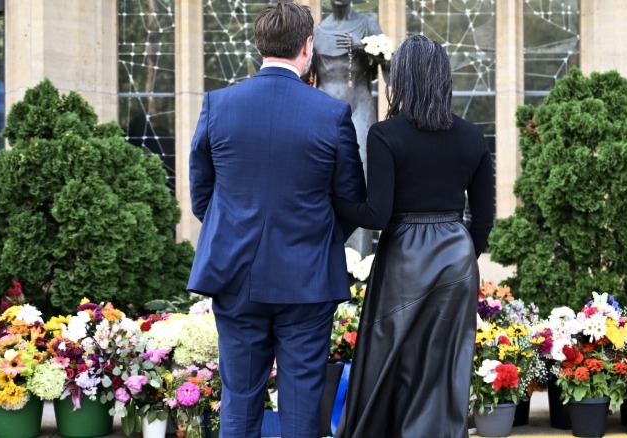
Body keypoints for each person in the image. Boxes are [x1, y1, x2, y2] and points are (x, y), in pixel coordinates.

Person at [187, 2, 366, 437]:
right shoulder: (331, 114)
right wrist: (318, 236)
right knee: (302, 404)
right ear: (309, 46)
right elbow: (351, 200)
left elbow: (201, 194)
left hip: (235, 274)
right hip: (306, 278)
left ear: (258, 45)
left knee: (239, 399)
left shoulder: (218, 105)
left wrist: (233, 231)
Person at [334, 35, 495, 437]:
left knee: (391, 361)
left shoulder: (386, 134)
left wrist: (334, 197)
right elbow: (485, 217)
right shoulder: (472, 136)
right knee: (443, 368)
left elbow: (377, 215)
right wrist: (460, 257)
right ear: (443, 79)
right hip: (456, 256)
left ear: (401, 78)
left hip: (405, 255)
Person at [312, 0, 388, 257]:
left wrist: (366, 49)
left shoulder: (367, 24)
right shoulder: (317, 32)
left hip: (359, 105)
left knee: (362, 172)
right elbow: (304, 74)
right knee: (321, 175)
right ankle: (325, 255)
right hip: (323, 107)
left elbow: (391, 66)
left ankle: (361, 258)